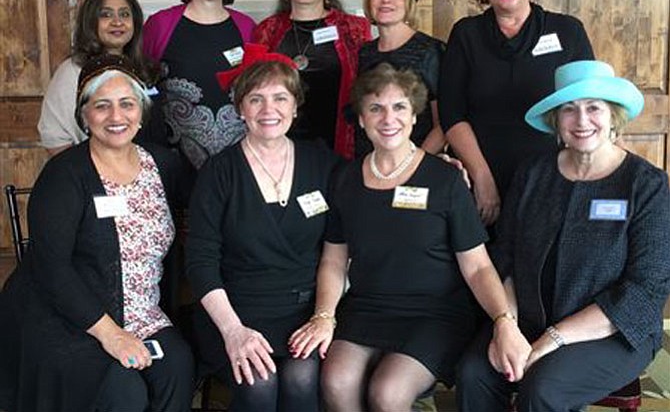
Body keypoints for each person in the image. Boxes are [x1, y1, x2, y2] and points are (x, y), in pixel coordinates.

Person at [288, 63, 529, 412]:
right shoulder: (345, 178)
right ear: (361, 119)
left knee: (387, 392)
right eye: (376, 108)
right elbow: (333, 259)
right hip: (368, 306)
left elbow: (477, 266)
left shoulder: (445, 179)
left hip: (435, 312)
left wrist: (503, 321)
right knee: (335, 381)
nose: (389, 118)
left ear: (415, 116)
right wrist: (324, 315)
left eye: (399, 106)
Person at [456, 60, 670, 412]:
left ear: (613, 115)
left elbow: (644, 290)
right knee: (472, 372)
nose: (582, 120)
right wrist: (505, 324)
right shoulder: (533, 174)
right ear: (556, 120)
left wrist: (551, 340)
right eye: (569, 109)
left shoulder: (645, 185)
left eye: (593, 107)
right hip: (528, 317)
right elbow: (504, 258)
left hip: (612, 331)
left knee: (543, 387)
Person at [0, 54, 194, 412]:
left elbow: (206, 213)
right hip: (67, 317)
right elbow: (51, 268)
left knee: (177, 367)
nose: (116, 117)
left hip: (140, 312)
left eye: (126, 104)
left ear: (141, 110)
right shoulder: (65, 175)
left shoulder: (164, 163)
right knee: (123, 391)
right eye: (101, 106)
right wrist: (111, 334)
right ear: (84, 115)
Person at [185, 43, 341, 411]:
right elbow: (201, 262)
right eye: (256, 99)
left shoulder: (323, 164)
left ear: (295, 106)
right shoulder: (218, 173)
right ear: (240, 108)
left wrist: (324, 317)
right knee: (259, 384)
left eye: (280, 98)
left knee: (302, 379)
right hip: (236, 313)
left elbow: (372, 192)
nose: (269, 110)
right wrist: (233, 332)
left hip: (307, 312)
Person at [438, 0, 595, 226]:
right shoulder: (466, 34)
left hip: (553, 176)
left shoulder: (567, 31)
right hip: (480, 179)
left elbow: (588, 106)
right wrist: (483, 179)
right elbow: (452, 114)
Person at [143, 0, 256, 170]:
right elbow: (143, 86)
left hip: (237, 160)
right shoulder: (160, 25)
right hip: (174, 160)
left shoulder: (246, 27)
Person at [253, 0, 372, 159]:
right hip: (279, 150)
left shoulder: (353, 29)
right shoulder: (267, 31)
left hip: (339, 148)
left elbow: (366, 89)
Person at [38, 0, 156, 156]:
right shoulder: (73, 71)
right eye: (106, 15)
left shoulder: (143, 67)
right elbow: (55, 140)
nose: (117, 22)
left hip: (145, 172)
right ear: (91, 22)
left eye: (124, 14)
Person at [356, 0, 445, 156]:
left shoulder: (431, 51)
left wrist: (412, 164)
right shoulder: (364, 53)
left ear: (409, 2)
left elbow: (444, 125)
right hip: (371, 163)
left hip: (417, 164)